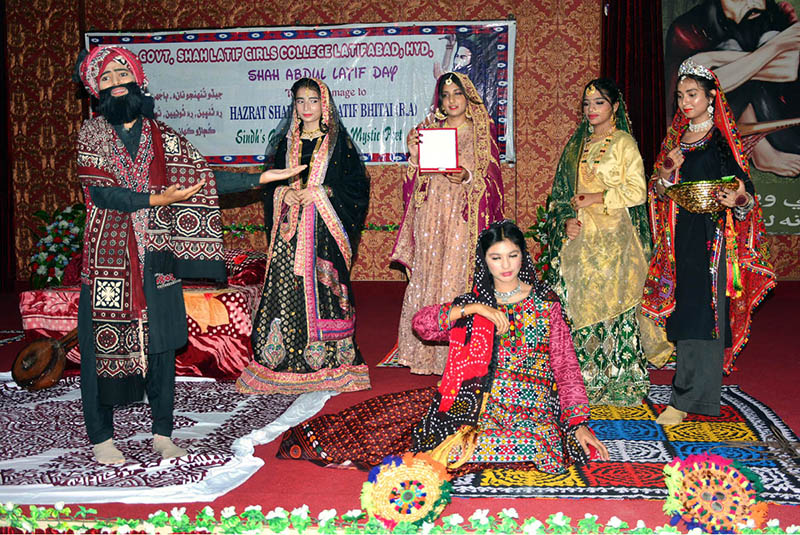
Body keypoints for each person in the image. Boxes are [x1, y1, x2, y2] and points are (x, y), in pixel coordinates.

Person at [278, 220, 609, 475]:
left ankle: (485, 447)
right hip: (479, 402)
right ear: (485, 261)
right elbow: (422, 324)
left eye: (512, 255)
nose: (505, 265)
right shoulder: (474, 305)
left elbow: (565, 366)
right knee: (440, 445)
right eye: (496, 257)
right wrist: (474, 310)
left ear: (524, 257)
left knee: (546, 447)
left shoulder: (545, 303)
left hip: (533, 408)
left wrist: (577, 422)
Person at [73, 46, 253, 465]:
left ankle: (162, 432)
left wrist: (263, 177)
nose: (116, 83)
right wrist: (156, 198)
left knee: (161, 349)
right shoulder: (91, 134)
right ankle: (101, 438)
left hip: (158, 255)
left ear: (139, 80)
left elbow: (203, 178)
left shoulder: (166, 137)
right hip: (109, 260)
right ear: (95, 91)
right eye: (105, 78)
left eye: (122, 73)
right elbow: (103, 192)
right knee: (101, 347)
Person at [643, 59, 777, 425]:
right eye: (681, 96)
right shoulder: (675, 141)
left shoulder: (720, 143)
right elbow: (659, 192)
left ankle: (688, 398)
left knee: (705, 318)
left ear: (710, 98)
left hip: (714, 242)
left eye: (692, 95)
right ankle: (689, 395)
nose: (685, 102)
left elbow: (745, 194)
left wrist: (738, 200)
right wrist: (666, 174)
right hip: (681, 239)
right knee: (687, 315)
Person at [235, 78, 371, 395]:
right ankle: (280, 359)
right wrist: (285, 193)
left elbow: (357, 188)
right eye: (300, 101)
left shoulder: (339, 144)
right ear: (294, 105)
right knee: (285, 289)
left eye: (313, 100)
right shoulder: (287, 144)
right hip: (290, 232)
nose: (306, 107)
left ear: (324, 104)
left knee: (323, 290)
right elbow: (270, 185)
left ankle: (331, 360)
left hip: (324, 232)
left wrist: (322, 193)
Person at [545, 78, 672, 407]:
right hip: (581, 238)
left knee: (614, 307)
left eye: (599, 103)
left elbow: (637, 192)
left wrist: (597, 196)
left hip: (615, 239)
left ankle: (617, 379)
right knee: (577, 305)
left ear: (615, 107)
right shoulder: (577, 146)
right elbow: (560, 196)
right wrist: (565, 222)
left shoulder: (624, 143)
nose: (591, 110)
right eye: (587, 104)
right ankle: (579, 379)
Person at [391, 72, 504, 375]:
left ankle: (458, 357)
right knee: (429, 274)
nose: (451, 100)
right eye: (446, 94)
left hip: (462, 219)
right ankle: (424, 355)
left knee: (455, 276)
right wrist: (414, 156)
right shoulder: (429, 131)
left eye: (457, 94)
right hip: (430, 216)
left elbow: (492, 180)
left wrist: (467, 176)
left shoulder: (480, 134)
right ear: (439, 100)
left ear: (468, 99)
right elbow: (415, 183)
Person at [665, 0, 800, 177]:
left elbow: (788, 69)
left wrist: (715, 60)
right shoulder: (689, 27)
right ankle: (764, 152)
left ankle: (763, 150)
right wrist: (776, 46)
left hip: (781, 122)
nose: (752, 3)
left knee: (740, 74)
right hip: (704, 131)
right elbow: (700, 84)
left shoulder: (777, 12)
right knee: (727, 80)